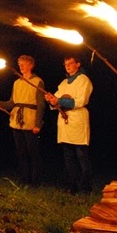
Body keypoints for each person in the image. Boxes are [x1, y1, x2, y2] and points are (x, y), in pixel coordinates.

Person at [0, 54, 46, 186]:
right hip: (17, 121)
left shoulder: (38, 81)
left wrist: (38, 124)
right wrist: (0, 104)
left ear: (31, 65)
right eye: (19, 64)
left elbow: (41, 104)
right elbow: (12, 102)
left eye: (23, 64)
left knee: (32, 152)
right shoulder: (17, 83)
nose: (21, 66)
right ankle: (25, 179)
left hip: (30, 120)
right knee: (21, 152)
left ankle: (35, 181)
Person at [45, 54, 94, 194]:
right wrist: (51, 99)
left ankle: (85, 186)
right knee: (68, 155)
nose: (68, 66)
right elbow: (56, 99)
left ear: (78, 64)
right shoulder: (64, 83)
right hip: (65, 120)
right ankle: (73, 185)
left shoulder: (83, 80)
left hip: (77, 119)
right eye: (65, 64)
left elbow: (80, 101)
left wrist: (59, 101)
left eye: (71, 63)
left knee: (81, 154)